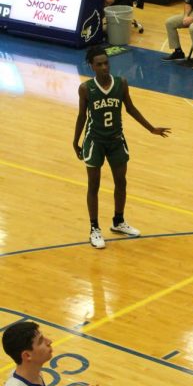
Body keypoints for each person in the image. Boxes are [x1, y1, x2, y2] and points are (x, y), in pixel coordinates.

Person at [73, 45, 170, 248]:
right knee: (94, 185)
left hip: (116, 140)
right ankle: (94, 228)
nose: (104, 67)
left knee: (121, 182)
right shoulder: (85, 88)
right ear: (92, 66)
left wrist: (151, 128)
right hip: (95, 141)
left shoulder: (121, 83)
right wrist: (76, 141)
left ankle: (118, 221)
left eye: (106, 63)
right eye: (99, 64)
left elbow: (131, 109)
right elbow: (82, 116)